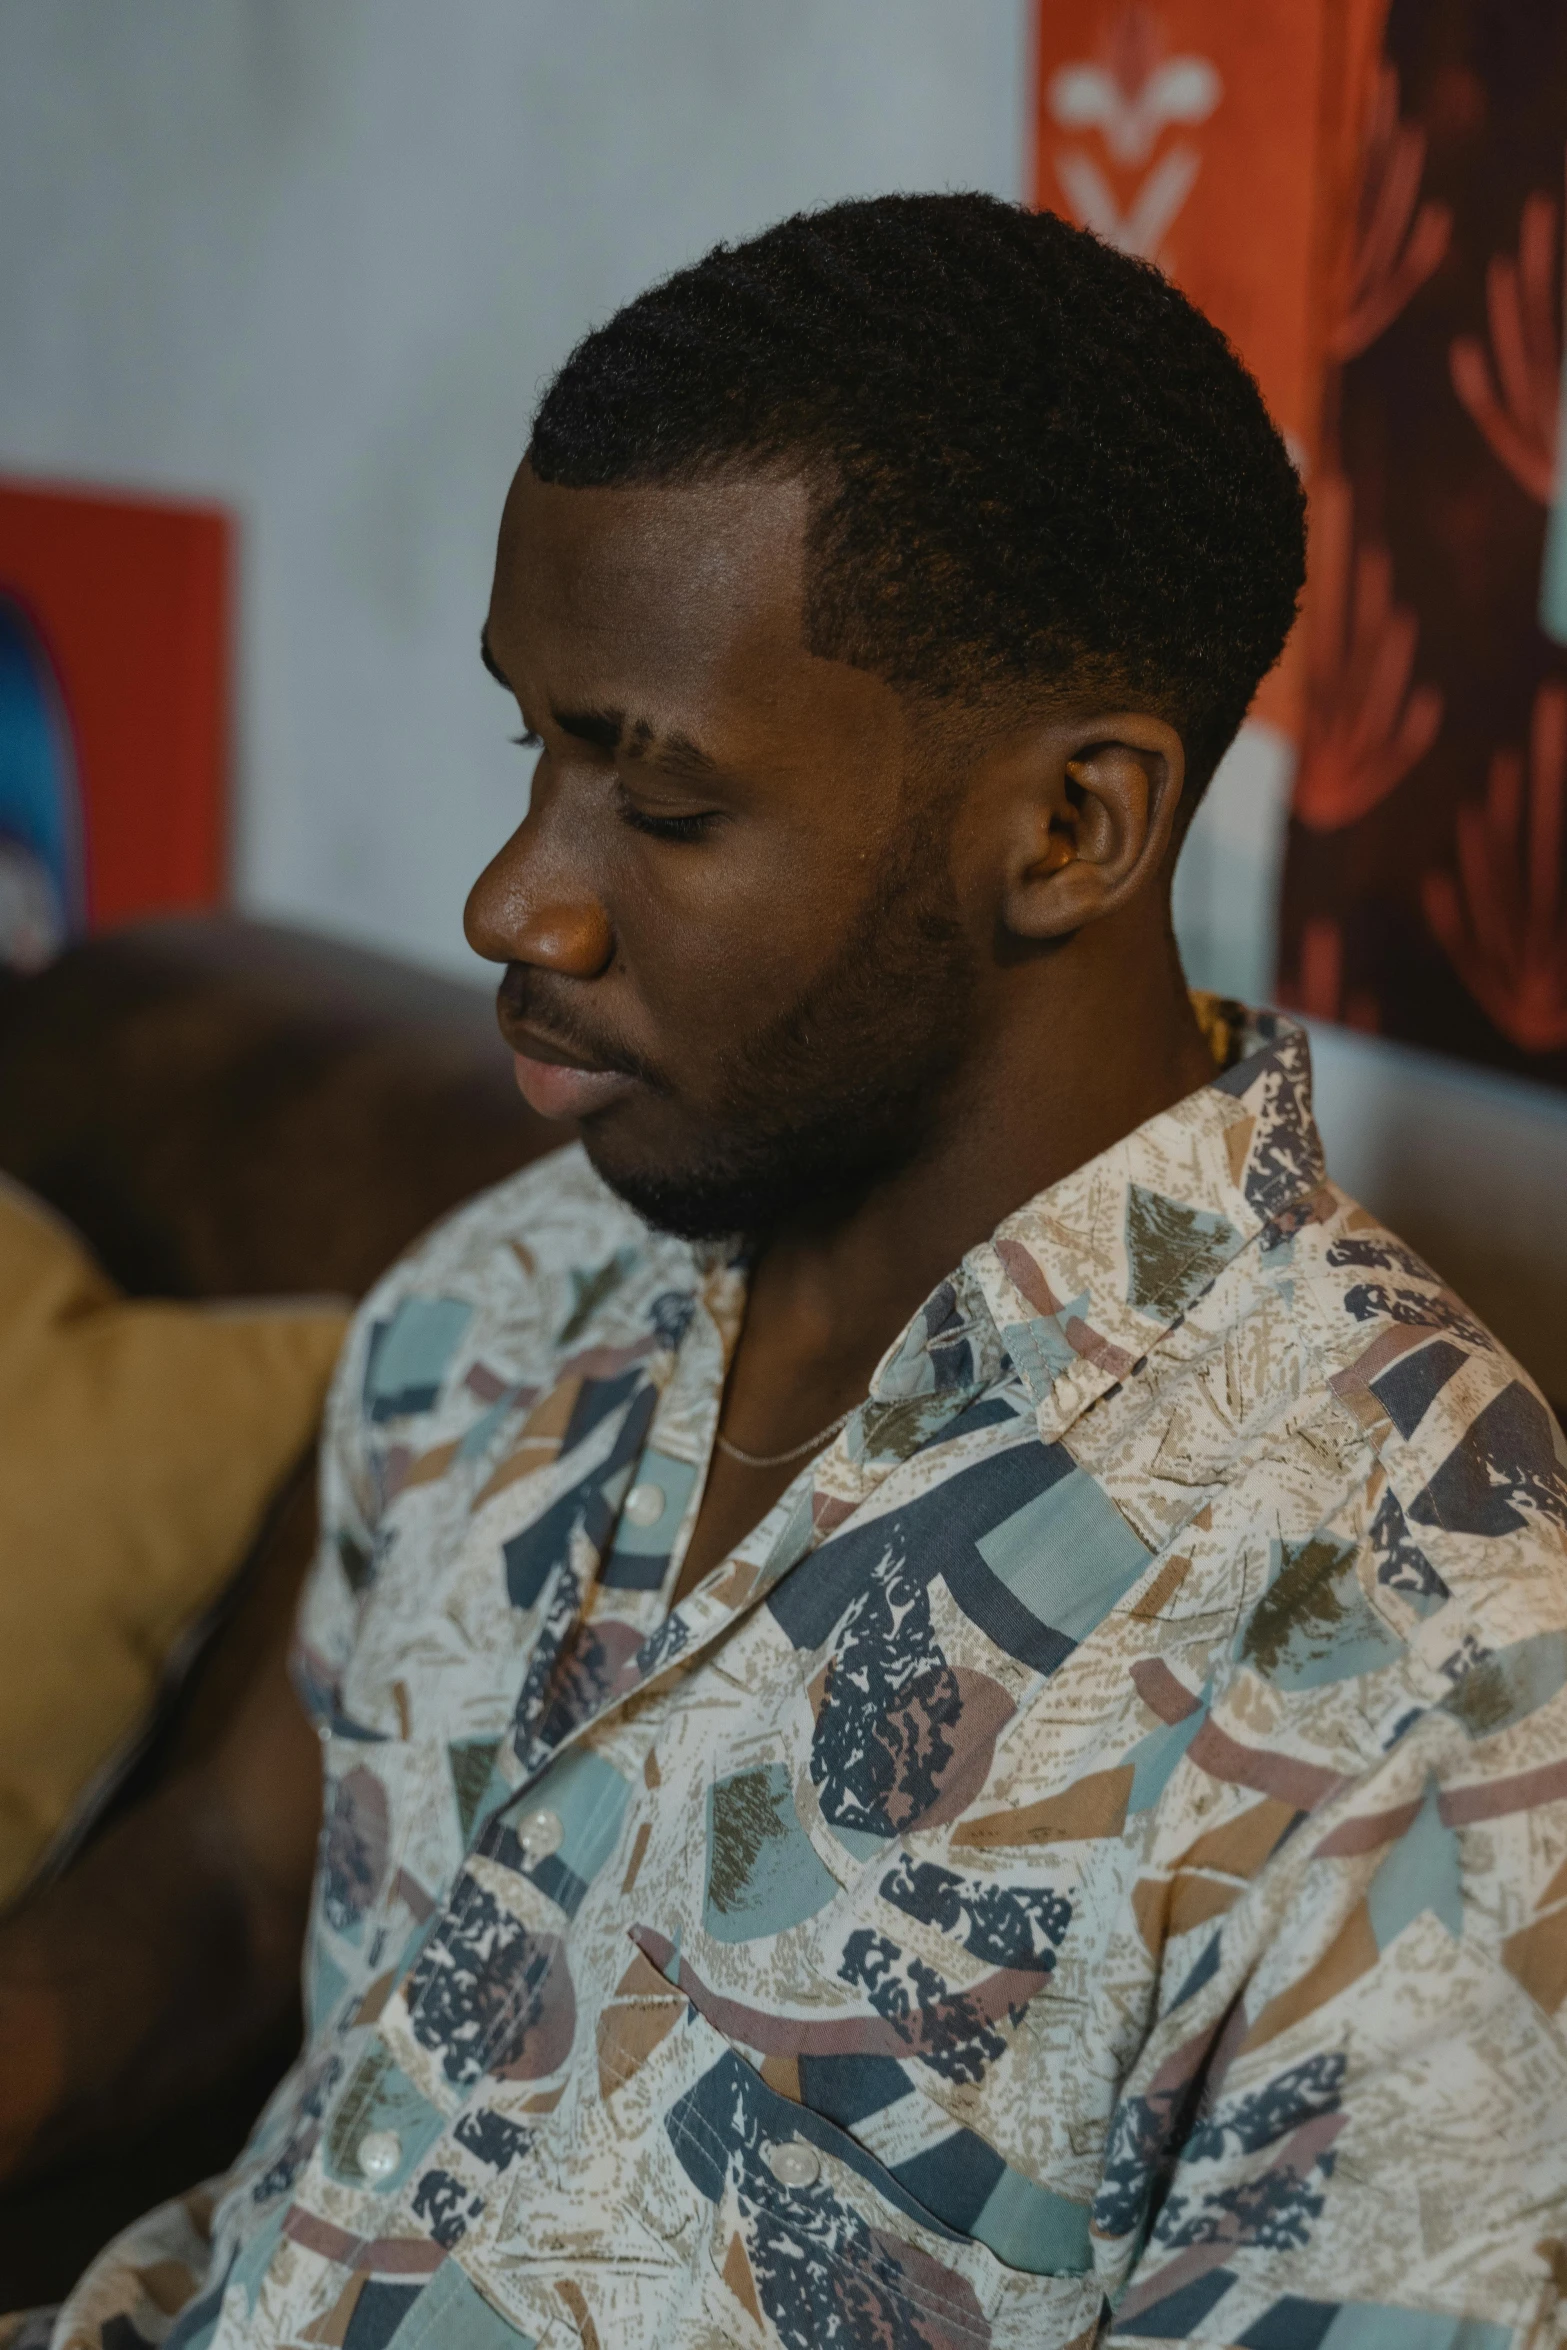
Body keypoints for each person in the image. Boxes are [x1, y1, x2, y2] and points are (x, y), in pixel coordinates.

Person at [3, 192, 1565, 2350]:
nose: (512, 900)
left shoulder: (1423, 1649)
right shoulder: (517, 1281)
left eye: (664, 803)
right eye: (531, 744)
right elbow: (248, 1870)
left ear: (1072, 831)